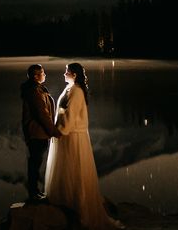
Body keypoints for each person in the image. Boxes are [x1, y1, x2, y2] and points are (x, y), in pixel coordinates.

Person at [45, 63, 123, 229]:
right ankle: (67, 203)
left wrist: (60, 130)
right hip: (68, 136)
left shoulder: (76, 92)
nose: (64, 74)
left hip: (73, 137)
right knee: (68, 170)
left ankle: (80, 209)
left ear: (73, 74)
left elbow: (71, 116)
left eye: (66, 71)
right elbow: (64, 112)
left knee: (75, 170)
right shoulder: (70, 89)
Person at [20, 63, 61, 201]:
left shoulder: (37, 89)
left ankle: (34, 191)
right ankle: (33, 193)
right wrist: (54, 131)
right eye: (42, 73)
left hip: (38, 132)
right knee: (35, 164)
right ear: (36, 76)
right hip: (37, 133)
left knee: (35, 163)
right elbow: (41, 113)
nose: (45, 75)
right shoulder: (35, 91)